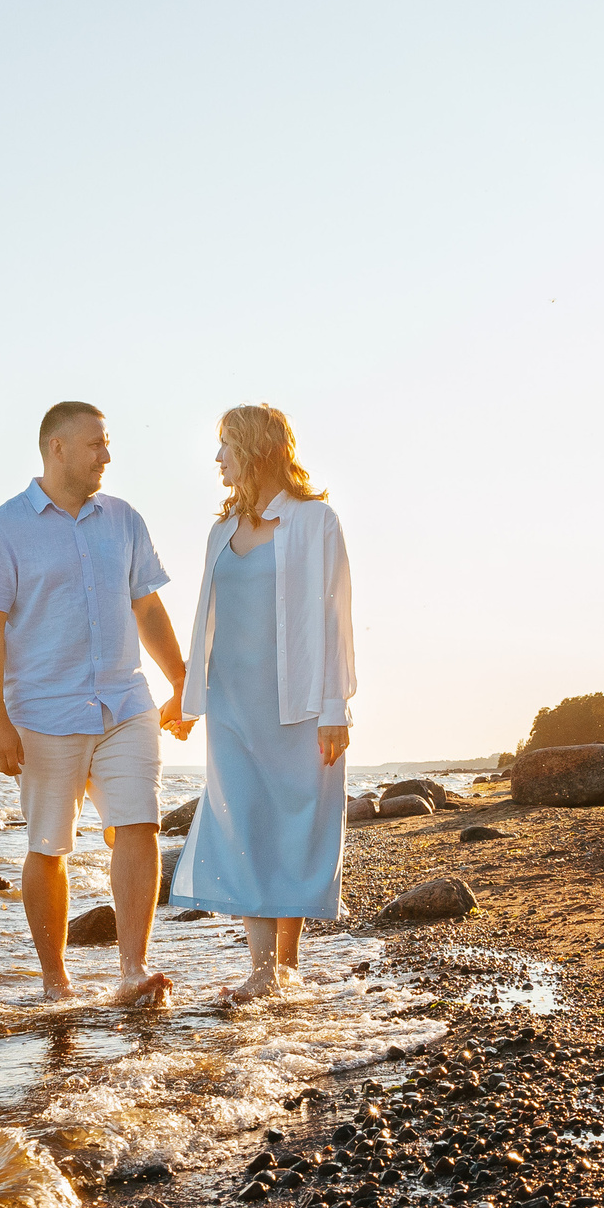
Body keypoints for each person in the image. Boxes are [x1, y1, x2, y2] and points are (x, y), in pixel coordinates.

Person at [0, 400, 192, 1005]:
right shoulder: (3, 528)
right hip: (42, 715)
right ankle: (55, 981)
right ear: (57, 447)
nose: (107, 456)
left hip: (125, 703)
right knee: (48, 846)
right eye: (96, 444)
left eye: (107, 443)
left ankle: (133, 970)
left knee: (139, 824)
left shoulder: (123, 520)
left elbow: (147, 607)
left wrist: (181, 683)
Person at [164, 404, 356, 1000]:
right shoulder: (220, 531)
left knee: (292, 820)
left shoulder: (315, 521)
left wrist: (335, 708)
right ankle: (260, 968)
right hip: (232, 703)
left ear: (254, 448)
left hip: (297, 704)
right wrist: (188, 699)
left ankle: (286, 965)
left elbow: (336, 619)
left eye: (224, 445)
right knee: (243, 819)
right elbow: (205, 623)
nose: (217, 459)